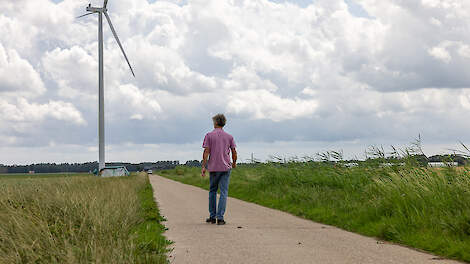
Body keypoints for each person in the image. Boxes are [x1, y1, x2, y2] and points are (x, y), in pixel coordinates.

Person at [201, 114, 237, 225]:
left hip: (213, 167)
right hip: (225, 167)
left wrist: (204, 166)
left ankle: (212, 217)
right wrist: (234, 162)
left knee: (212, 191)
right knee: (223, 193)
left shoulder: (209, 135)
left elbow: (206, 152)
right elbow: (234, 152)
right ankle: (220, 218)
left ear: (215, 122)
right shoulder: (229, 137)